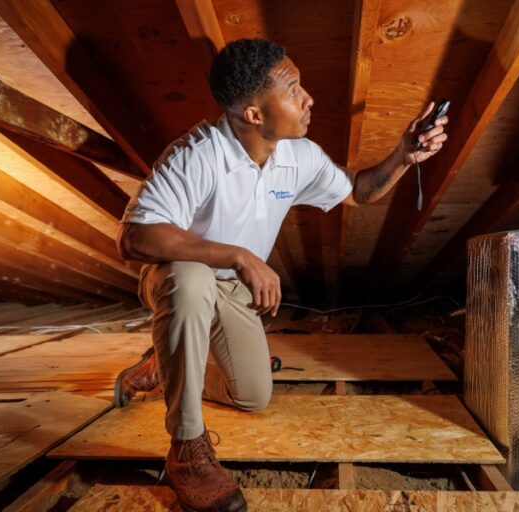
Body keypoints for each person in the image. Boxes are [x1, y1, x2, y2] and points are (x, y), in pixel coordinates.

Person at [114, 38, 448, 512]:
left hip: (230, 289)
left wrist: (403, 155)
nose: (308, 99)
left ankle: (165, 364)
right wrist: (239, 256)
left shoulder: (298, 155)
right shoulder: (197, 155)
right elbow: (133, 237)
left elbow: (357, 190)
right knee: (191, 279)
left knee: (253, 395)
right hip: (177, 280)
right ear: (254, 114)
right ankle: (186, 448)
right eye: (293, 91)